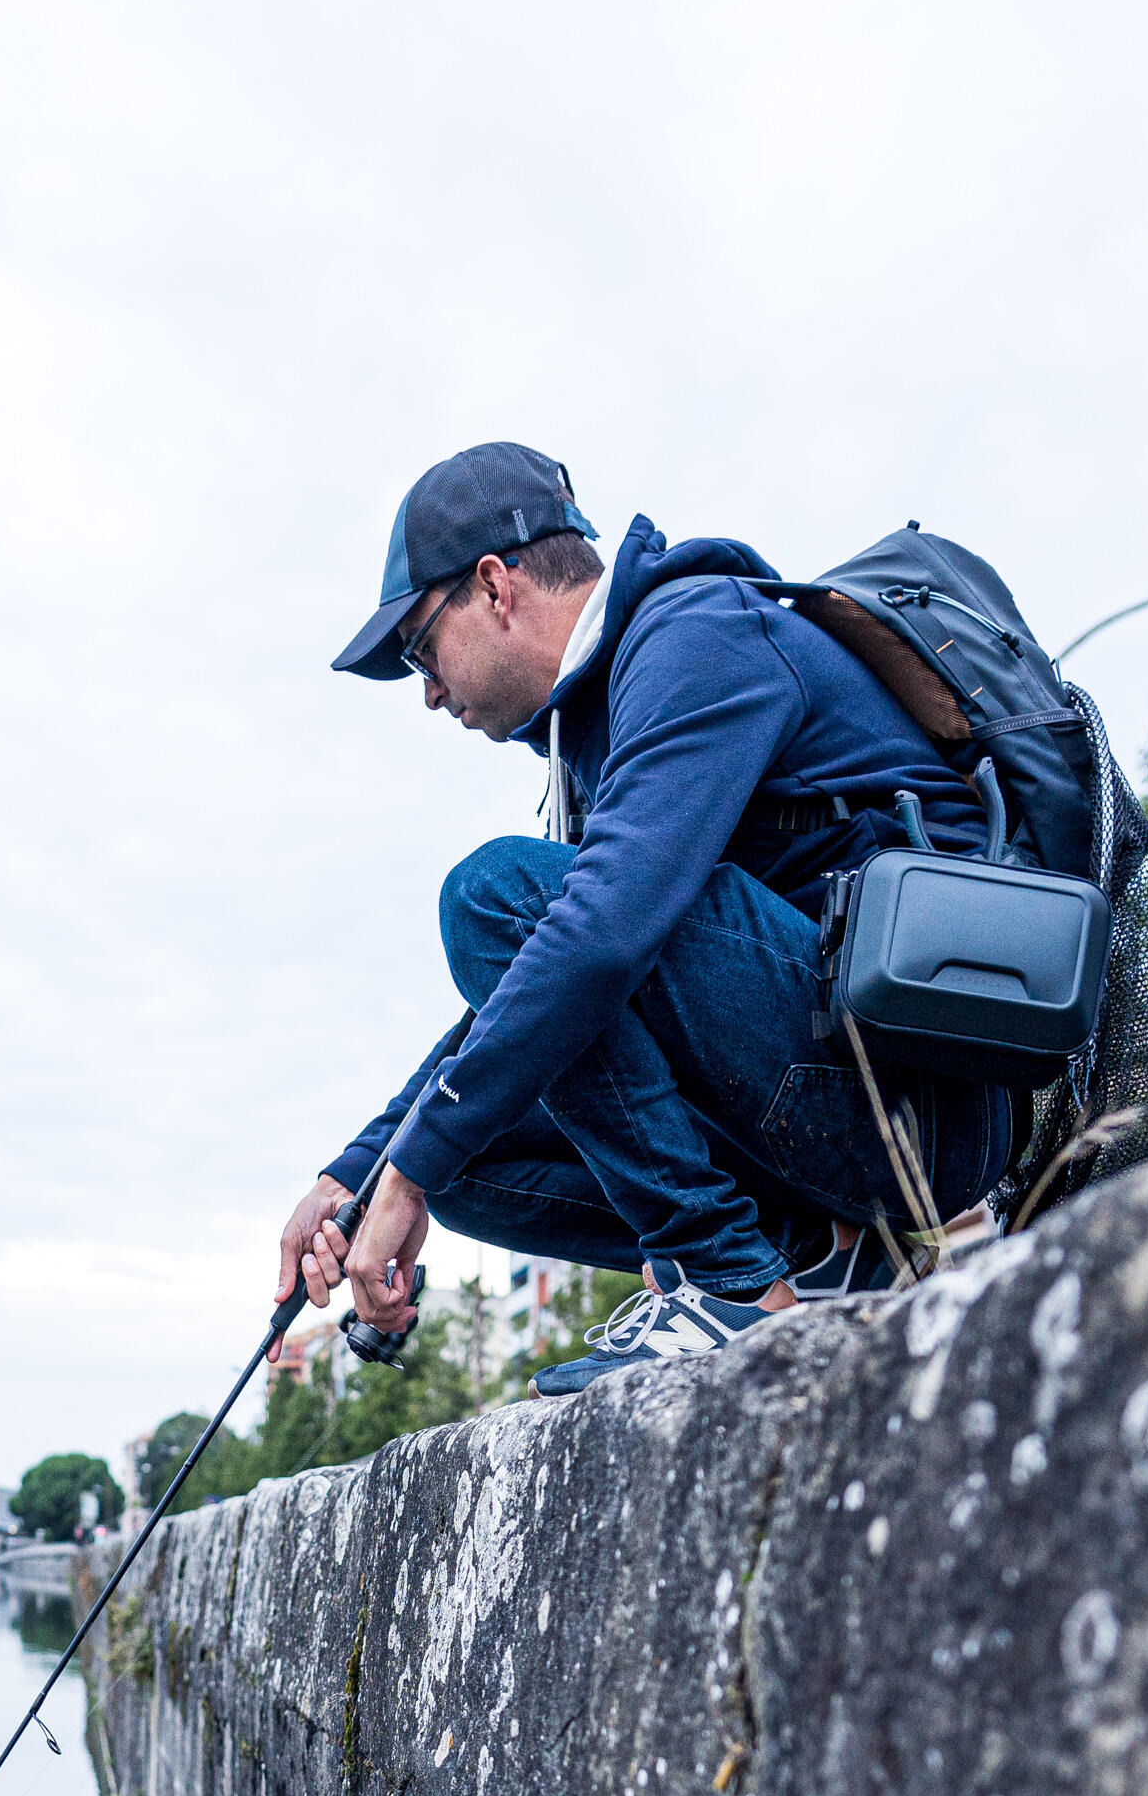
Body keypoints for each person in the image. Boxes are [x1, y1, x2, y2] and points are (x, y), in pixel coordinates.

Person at [274, 441, 1015, 1396]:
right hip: (826, 1085)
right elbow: (533, 991)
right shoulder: (602, 722)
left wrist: (407, 1167)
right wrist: (364, 1174)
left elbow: (594, 940)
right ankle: (829, 1257)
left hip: (925, 1101)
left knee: (490, 895)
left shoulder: (697, 635)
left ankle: (729, 1284)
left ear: (496, 588)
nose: (426, 688)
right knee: (469, 1148)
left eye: (421, 646)